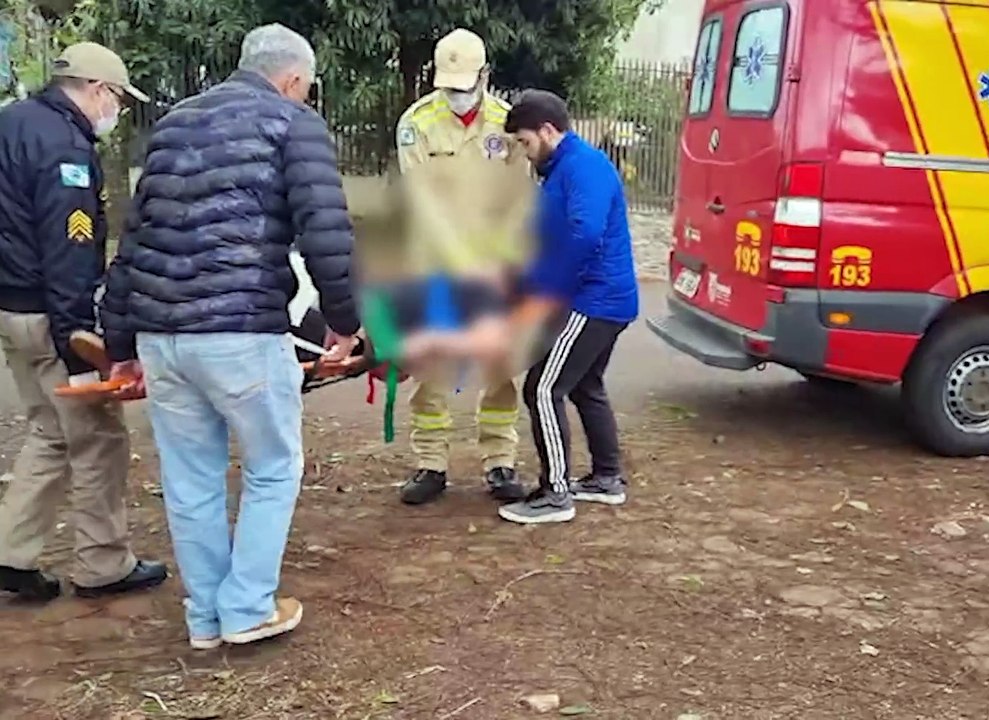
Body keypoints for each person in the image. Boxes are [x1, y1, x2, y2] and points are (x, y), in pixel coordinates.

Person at [99, 24, 360, 648]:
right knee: (273, 466)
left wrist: (119, 344)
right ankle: (246, 608)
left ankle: (206, 617)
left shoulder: (174, 123)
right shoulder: (293, 123)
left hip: (161, 333)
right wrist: (348, 323)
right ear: (295, 78)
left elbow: (135, 237)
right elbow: (326, 232)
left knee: (191, 478)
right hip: (240, 330)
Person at [0, 42, 169, 602]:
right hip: (48, 311)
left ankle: (11, 553)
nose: (115, 112)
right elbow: (69, 252)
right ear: (99, 89)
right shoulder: (64, 148)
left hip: (9, 307)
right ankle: (104, 563)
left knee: (49, 430)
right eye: (117, 100)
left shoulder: (11, 123)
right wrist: (81, 349)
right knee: (97, 438)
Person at [391, 28, 533, 506]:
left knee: (500, 367)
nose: (456, 95)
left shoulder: (506, 123)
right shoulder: (417, 122)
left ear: (485, 76)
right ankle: (430, 463)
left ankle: (500, 462)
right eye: (449, 86)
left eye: (465, 85)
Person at [495, 90, 640, 525]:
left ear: (546, 131)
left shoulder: (584, 167)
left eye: (524, 142)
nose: (523, 151)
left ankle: (555, 492)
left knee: (542, 388)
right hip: (600, 297)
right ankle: (606, 478)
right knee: (584, 385)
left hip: (594, 299)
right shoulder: (559, 169)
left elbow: (583, 234)